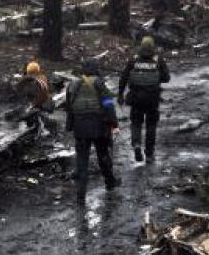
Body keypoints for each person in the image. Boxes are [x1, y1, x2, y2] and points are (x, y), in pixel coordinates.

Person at [64, 57, 120, 202]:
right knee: (103, 156)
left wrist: (69, 126)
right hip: (99, 127)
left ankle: (81, 194)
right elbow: (108, 104)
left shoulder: (72, 85)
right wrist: (114, 124)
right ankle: (110, 183)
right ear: (96, 69)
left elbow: (69, 108)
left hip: (80, 128)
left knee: (82, 162)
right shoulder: (99, 83)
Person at [118, 35, 171, 163]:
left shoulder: (133, 60)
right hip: (152, 99)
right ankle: (149, 154)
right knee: (151, 126)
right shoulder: (158, 60)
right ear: (153, 47)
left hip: (136, 98)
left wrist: (120, 94)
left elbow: (124, 77)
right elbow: (166, 78)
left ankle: (136, 144)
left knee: (136, 123)